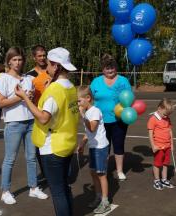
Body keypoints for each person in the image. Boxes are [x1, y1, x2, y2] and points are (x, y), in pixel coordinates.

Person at [15, 47, 79, 216]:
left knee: (57, 192)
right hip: (67, 144)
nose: (47, 68)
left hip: (53, 147)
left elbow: (43, 118)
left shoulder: (54, 90)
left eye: (50, 65)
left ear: (56, 66)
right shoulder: (71, 87)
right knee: (64, 186)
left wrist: (25, 98)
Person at [0, 47, 48, 205]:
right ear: (9, 61)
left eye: (20, 59)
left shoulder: (27, 79)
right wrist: (21, 97)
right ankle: (5, 191)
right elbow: (0, 102)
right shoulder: (3, 78)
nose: (18, 63)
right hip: (14, 123)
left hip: (31, 121)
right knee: (10, 159)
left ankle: (33, 187)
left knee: (31, 158)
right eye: (14, 60)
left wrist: (29, 97)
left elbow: (30, 100)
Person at [90, 54, 132, 181]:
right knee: (104, 147)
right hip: (100, 121)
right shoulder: (95, 82)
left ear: (116, 67)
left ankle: (119, 171)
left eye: (112, 67)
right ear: (102, 69)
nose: (110, 70)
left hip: (119, 120)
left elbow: (129, 98)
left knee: (119, 145)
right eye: (107, 68)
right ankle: (104, 170)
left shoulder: (123, 81)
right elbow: (89, 98)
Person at [77, 86, 111, 214]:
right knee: (93, 172)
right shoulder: (88, 112)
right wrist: (82, 144)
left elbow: (91, 127)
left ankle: (105, 201)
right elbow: (88, 133)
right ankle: (98, 196)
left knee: (101, 174)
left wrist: (82, 115)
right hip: (93, 147)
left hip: (100, 147)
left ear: (88, 98)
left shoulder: (95, 111)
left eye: (79, 101)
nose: (78, 104)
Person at [26, 45, 51, 180]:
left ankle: (58, 173)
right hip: (37, 115)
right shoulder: (30, 75)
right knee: (38, 146)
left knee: (52, 145)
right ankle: (45, 173)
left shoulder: (52, 71)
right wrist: (29, 96)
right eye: (39, 56)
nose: (42, 58)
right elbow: (27, 97)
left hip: (52, 114)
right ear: (34, 58)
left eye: (44, 55)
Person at [147, 98, 175, 190]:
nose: (166, 116)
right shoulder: (153, 119)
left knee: (165, 164)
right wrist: (153, 146)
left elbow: (170, 131)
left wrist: (172, 144)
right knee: (157, 164)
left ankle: (164, 179)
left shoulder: (167, 118)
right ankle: (157, 180)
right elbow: (150, 134)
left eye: (168, 115)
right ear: (159, 108)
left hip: (167, 146)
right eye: (165, 114)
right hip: (158, 146)